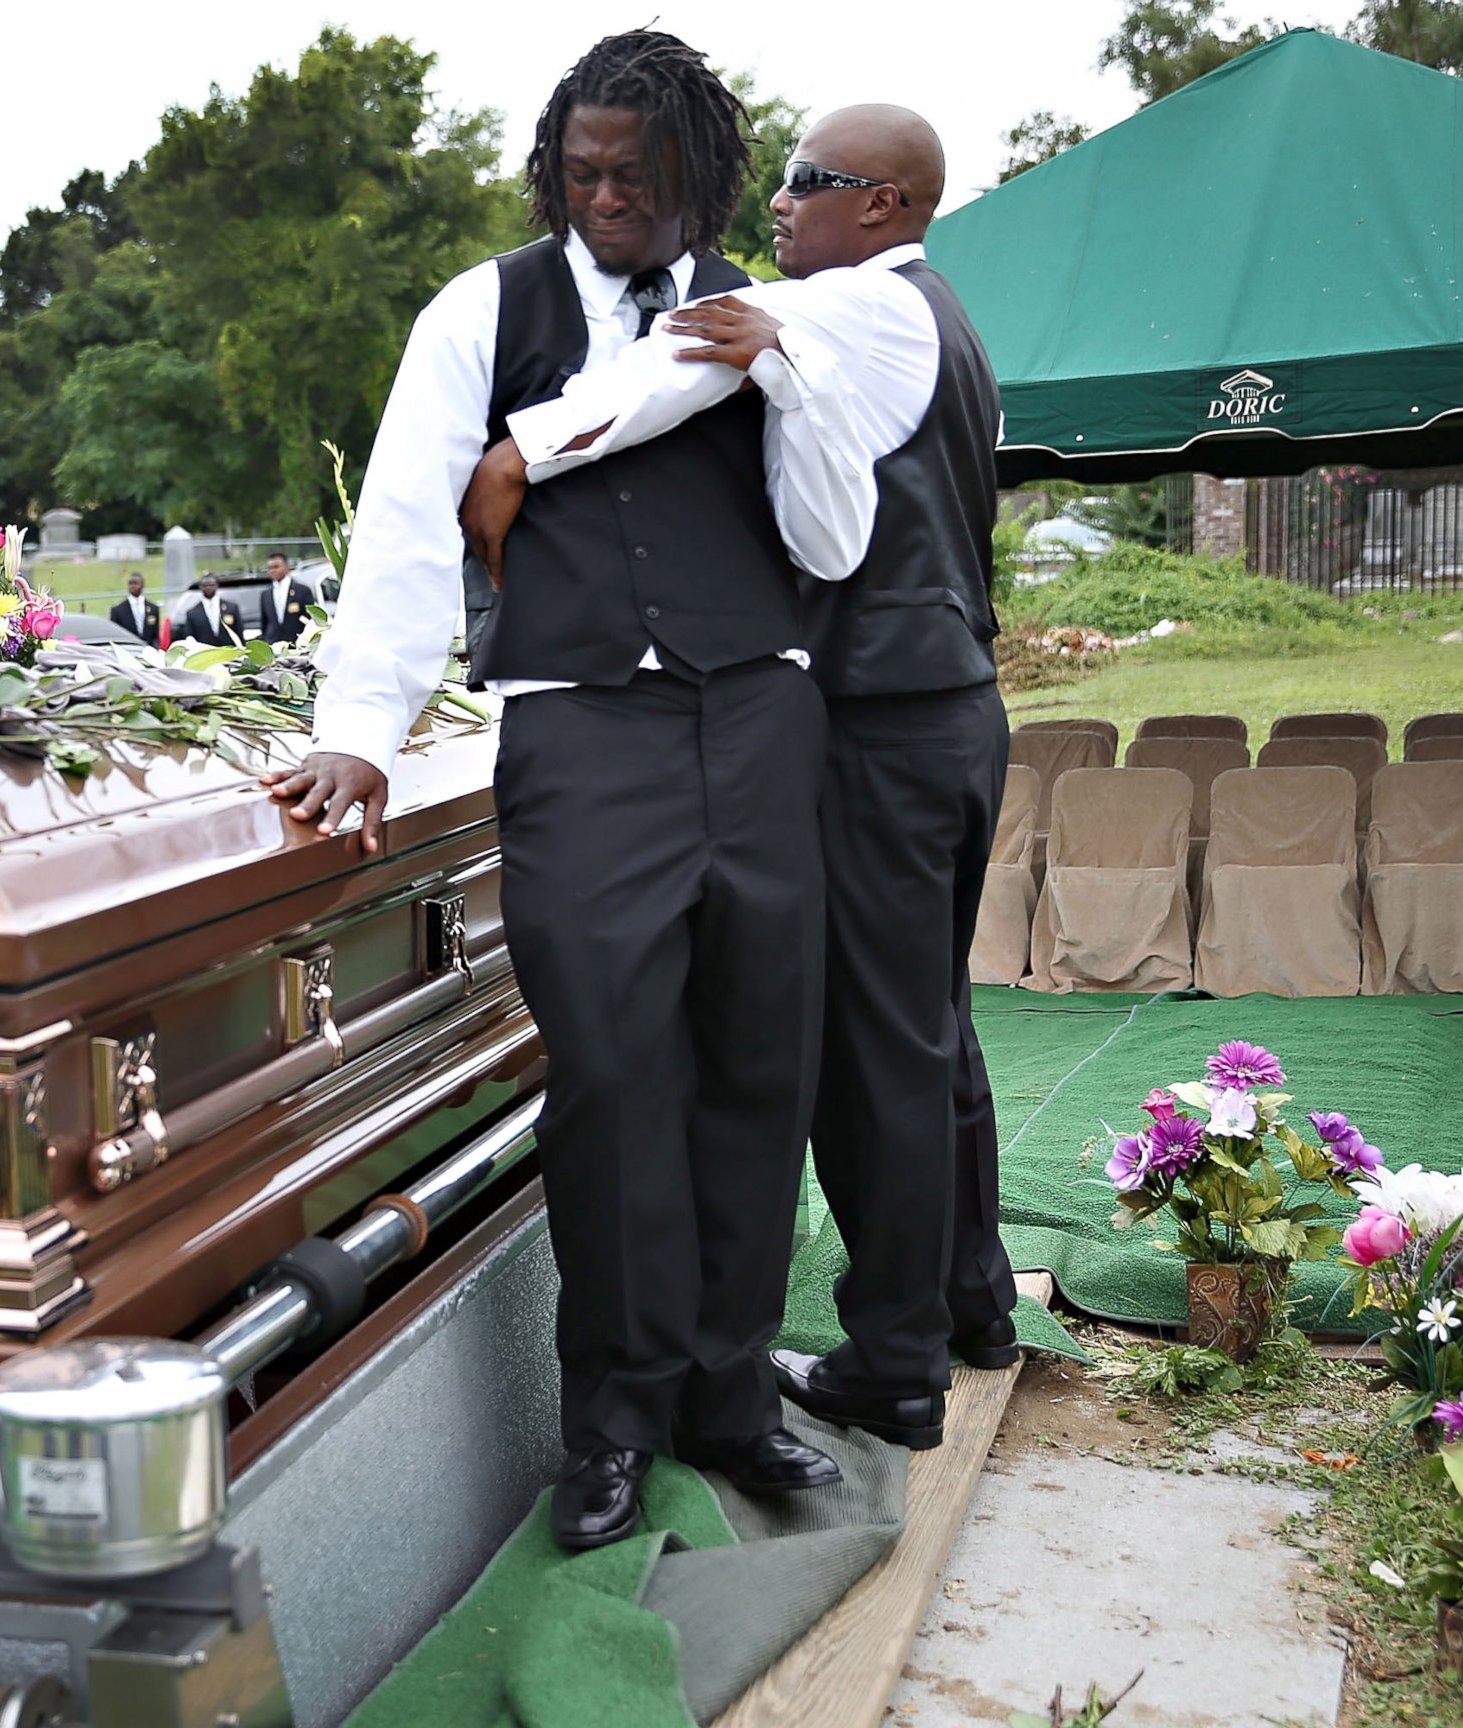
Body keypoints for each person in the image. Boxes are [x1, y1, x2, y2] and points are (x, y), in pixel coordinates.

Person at [263, 30, 840, 1551]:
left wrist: (782, 373)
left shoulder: (755, 316)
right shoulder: (483, 309)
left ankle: (732, 1400)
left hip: (762, 727)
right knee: (608, 1082)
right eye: (581, 173)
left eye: (635, 178)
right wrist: (363, 730)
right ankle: (611, 1426)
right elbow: (401, 526)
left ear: (698, 176)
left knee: (755, 1070)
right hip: (582, 743)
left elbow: (821, 519)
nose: (605, 200)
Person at [466, 104, 1019, 1451]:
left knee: (871, 1049)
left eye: (804, 182)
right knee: (928, 1024)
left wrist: (522, 452)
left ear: (883, 204)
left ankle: (893, 1358)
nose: (775, 207)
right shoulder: (949, 322)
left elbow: (677, 368)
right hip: (951, 708)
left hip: (879, 720)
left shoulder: (853, 309)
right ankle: (968, 1301)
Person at [255, 553, 316, 646]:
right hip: (273, 643)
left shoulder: (302, 590)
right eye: (270, 568)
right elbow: (265, 622)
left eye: (276, 567)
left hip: (296, 643)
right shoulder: (266, 594)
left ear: (286, 567)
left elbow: (310, 619)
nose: (273, 571)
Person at [177, 575, 243, 647]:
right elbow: (189, 637)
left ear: (216, 586)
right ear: (201, 587)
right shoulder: (192, 613)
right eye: (205, 585)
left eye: (211, 585)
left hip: (230, 652)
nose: (208, 588)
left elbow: (239, 632)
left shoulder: (231, 608)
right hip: (205, 653)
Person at [109, 572, 159, 645]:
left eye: (135, 583)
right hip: (128, 647)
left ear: (142, 585)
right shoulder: (118, 610)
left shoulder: (153, 609)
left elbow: (155, 632)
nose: (132, 586)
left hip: (148, 647)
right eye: (130, 583)